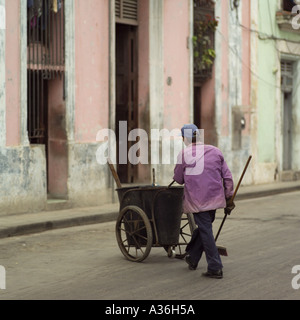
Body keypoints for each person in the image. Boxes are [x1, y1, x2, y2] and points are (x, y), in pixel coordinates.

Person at [173, 124, 235, 279]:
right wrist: (229, 197)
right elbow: (227, 177)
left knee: (205, 230)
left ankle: (215, 267)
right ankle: (192, 258)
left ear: (184, 138)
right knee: (204, 228)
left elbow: (179, 179)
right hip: (214, 199)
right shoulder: (215, 151)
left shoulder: (184, 154)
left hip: (197, 201)